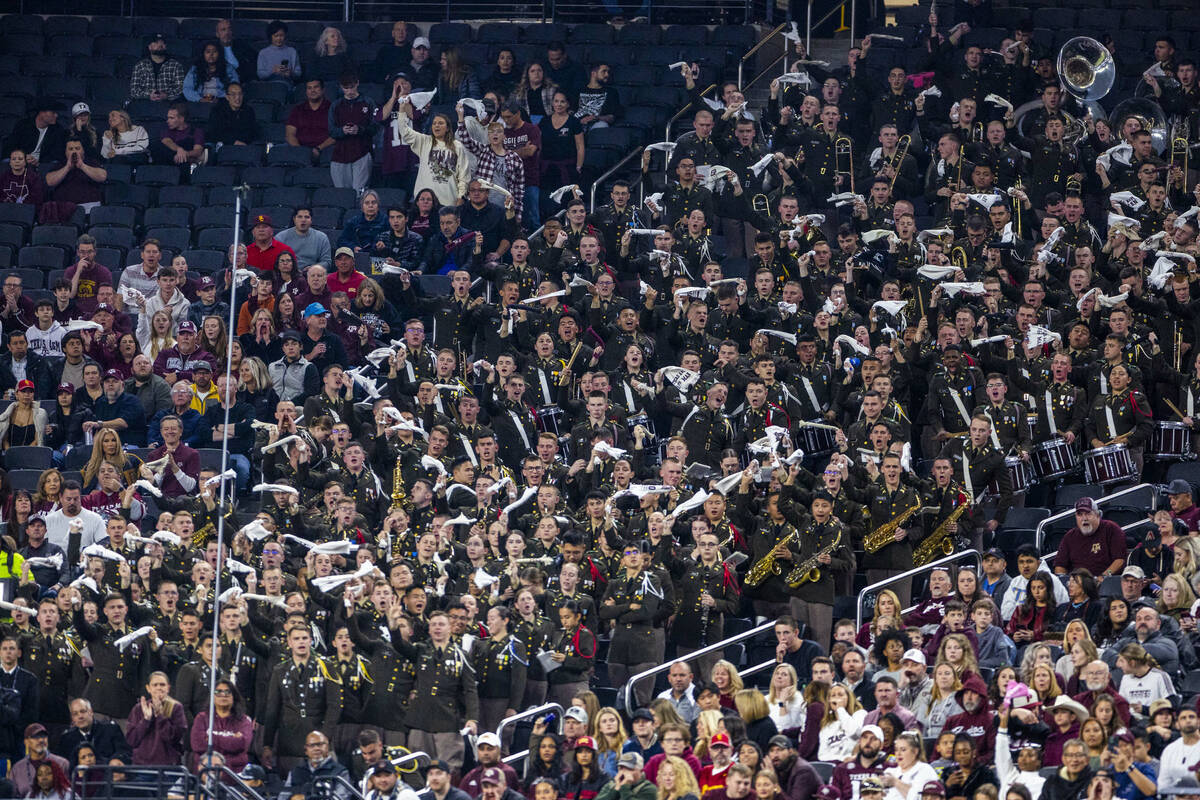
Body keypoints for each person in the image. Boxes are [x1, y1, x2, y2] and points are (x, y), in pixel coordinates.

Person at [129, 33, 185, 101]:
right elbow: (134, 90)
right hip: (145, 102)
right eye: (156, 43)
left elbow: (180, 88)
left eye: (163, 43)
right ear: (149, 47)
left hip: (168, 103)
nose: (160, 45)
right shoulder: (140, 65)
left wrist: (166, 95)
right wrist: (149, 95)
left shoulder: (176, 65)